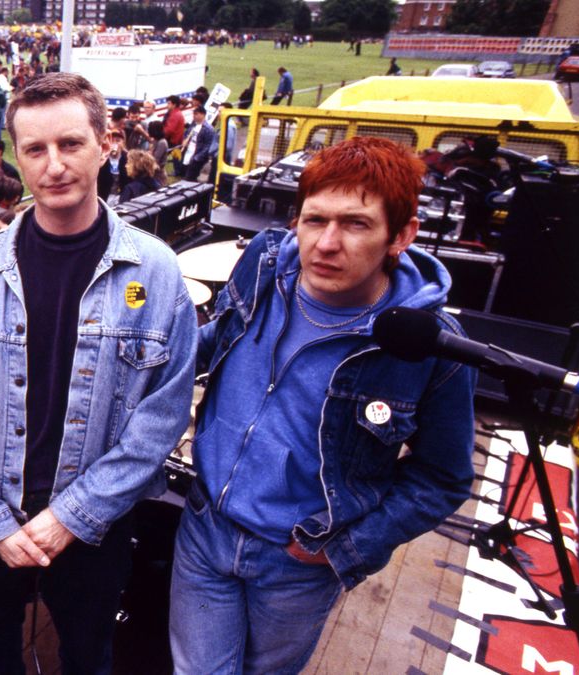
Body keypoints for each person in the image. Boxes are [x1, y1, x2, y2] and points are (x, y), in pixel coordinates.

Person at [169, 136, 476, 673]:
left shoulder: (431, 344)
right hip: (204, 528)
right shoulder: (262, 267)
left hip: (298, 562)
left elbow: (442, 479)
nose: (326, 243)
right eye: (314, 220)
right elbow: (222, 334)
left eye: (355, 224)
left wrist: (346, 549)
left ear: (401, 235)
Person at [0, 71, 198, 675]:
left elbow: (160, 420)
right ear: (15, 159)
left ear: (107, 144)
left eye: (71, 144)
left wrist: (71, 517)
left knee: (86, 652)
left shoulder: (155, 274)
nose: (54, 165)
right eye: (36, 149)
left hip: (95, 531)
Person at [182, 106, 216, 182]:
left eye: (196, 114)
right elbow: (187, 133)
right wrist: (185, 140)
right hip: (188, 152)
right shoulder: (194, 124)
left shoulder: (208, 129)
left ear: (203, 115)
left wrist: (198, 157)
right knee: (186, 173)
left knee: (190, 177)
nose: (194, 116)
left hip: (197, 155)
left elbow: (208, 145)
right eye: (194, 114)